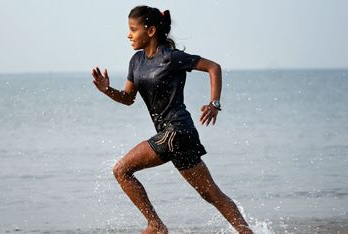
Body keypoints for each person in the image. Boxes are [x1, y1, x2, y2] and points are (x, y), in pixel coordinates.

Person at [91, 5, 253, 234]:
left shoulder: (171, 57)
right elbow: (128, 98)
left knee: (121, 171)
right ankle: (246, 232)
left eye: (133, 29)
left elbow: (213, 67)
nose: (129, 34)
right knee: (211, 194)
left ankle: (155, 225)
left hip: (176, 131)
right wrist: (107, 90)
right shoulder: (136, 62)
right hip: (179, 137)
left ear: (150, 31)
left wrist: (214, 103)